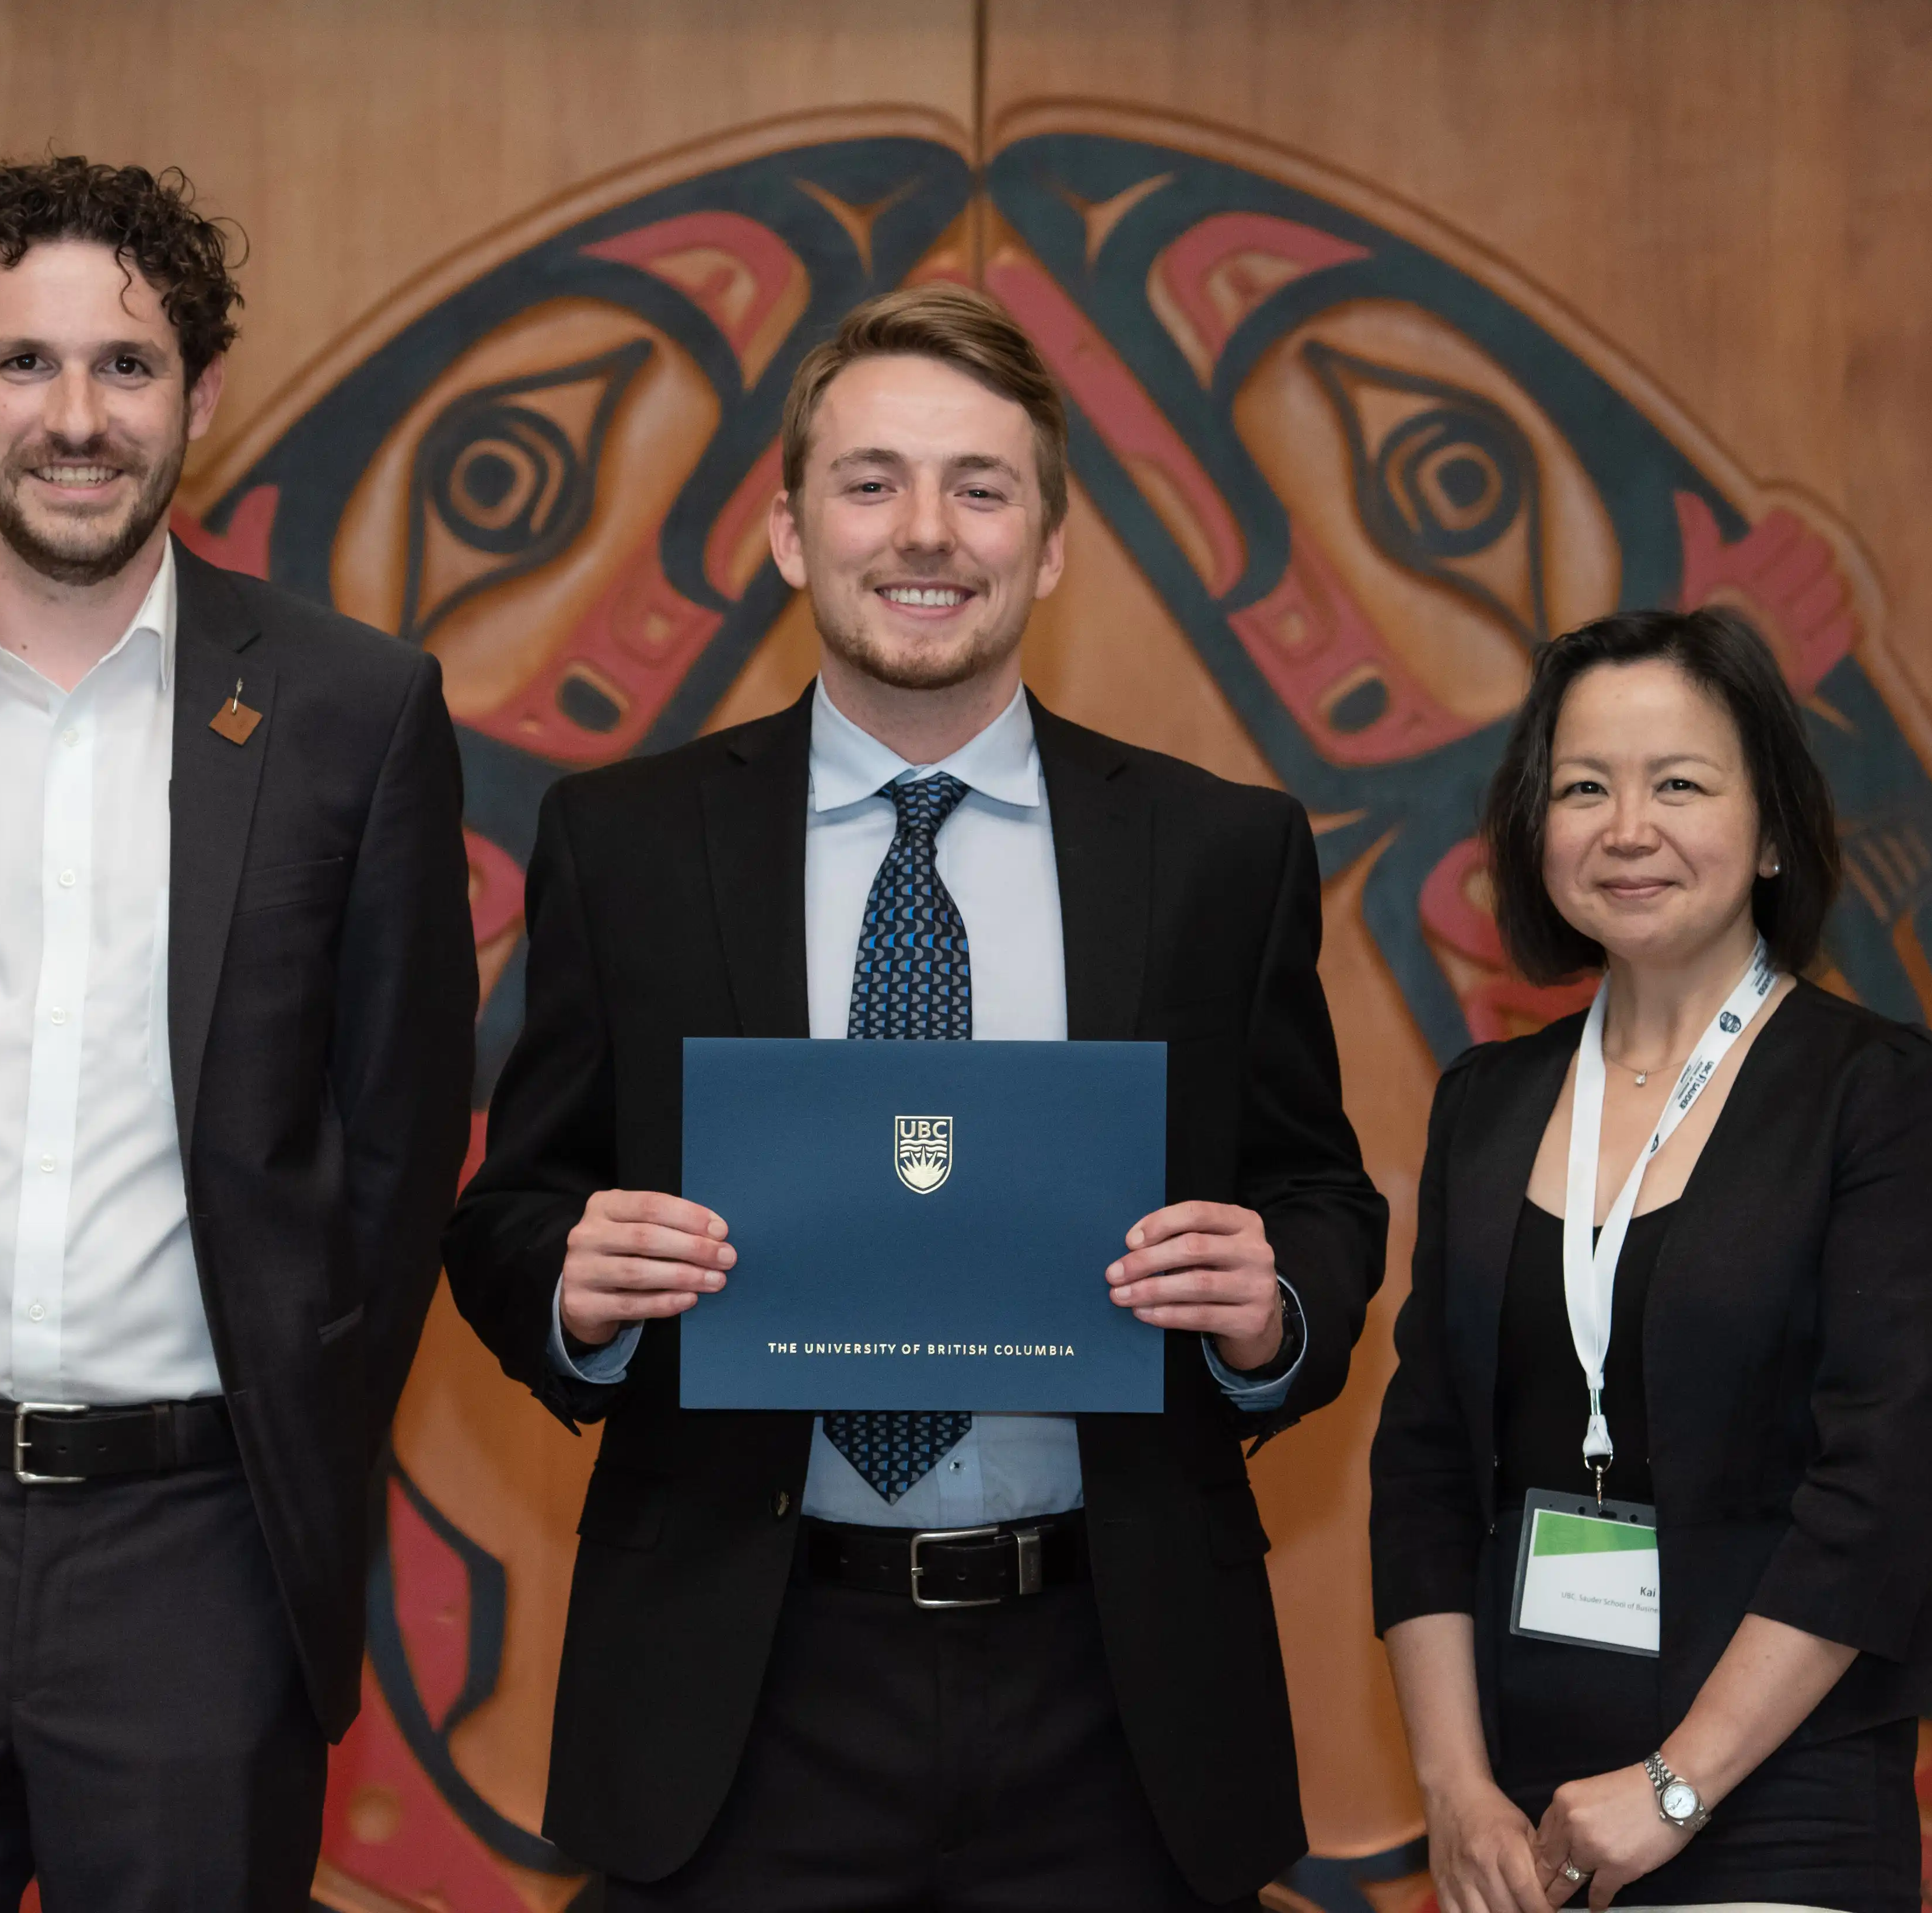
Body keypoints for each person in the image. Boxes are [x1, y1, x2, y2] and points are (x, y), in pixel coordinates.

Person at [443, 283, 1387, 1910]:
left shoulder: (1217, 854)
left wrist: (1270, 1304)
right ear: (792, 533)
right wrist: (574, 1289)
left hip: (1116, 1685)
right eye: (871, 481)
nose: (924, 532)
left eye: (982, 485)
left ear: (1054, 540)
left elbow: (1320, 1194)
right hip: (740, 1689)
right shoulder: (631, 844)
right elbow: (515, 1205)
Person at [0, 156, 475, 1907]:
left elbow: (402, 1142)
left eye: (125, 367)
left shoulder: (356, 715)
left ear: (199, 394)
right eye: (27, 363)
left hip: (196, 1548)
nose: (76, 418)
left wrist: (284, 1429)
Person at [1368, 607, 1932, 1913]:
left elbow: (1878, 1490)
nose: (1625, 827)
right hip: (1517, 1809)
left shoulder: (1876, 1093)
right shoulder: (1486, 1098)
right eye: (1583, 786)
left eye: (1679, 784)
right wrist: (1452, 1784)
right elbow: (1423, 1459)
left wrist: (1677, 1782)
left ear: (1768, 832)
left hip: (1777, 1792)